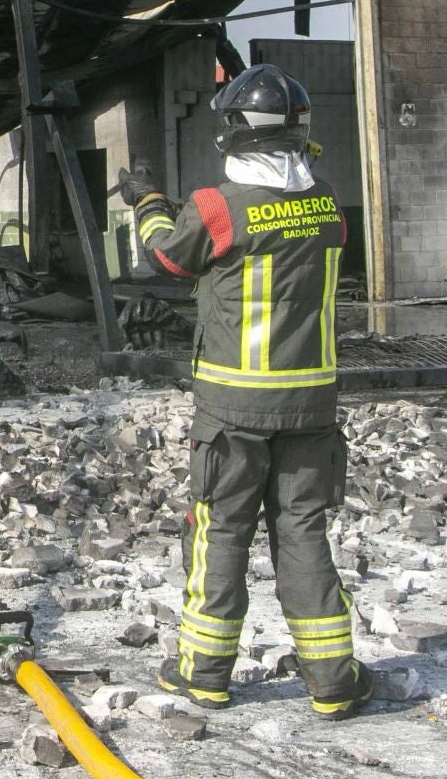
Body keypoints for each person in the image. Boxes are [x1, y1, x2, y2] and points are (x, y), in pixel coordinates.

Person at [119, 63, 374, 720]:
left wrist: (146, 201)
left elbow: (166, 258)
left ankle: (203, 673)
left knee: (221, 531)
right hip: (312, 407)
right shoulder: (328, 207)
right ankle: (333, 683)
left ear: (233, 132)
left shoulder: (215, 206)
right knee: (303, 533)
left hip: (234, 408)